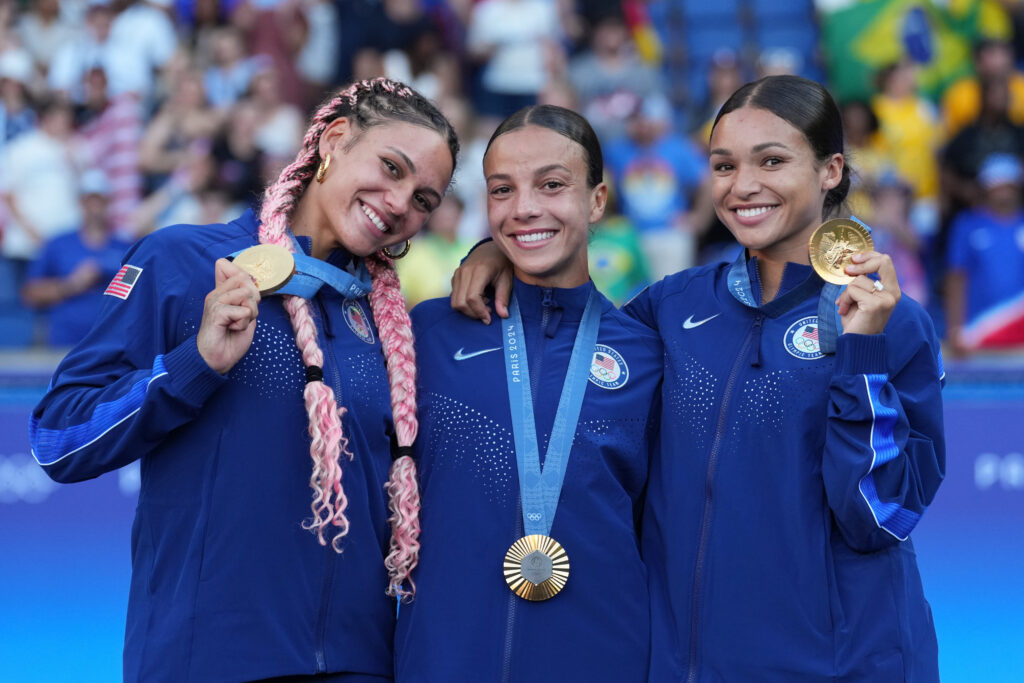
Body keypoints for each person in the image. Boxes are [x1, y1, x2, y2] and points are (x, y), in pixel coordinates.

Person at [450, 75, 946, 682]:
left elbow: (880, 516)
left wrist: (862, 351)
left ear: (830, 170)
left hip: (840, 666)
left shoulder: (890, 322)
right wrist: (499, 249)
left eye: (771, 161)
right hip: (692, 668)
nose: (744, 186)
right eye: (723, 165)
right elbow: (572, 330)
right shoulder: (673, 307)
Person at [29, 77, 458, 682]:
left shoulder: (388, 324)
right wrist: (194, 365)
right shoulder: (183, 261)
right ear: (334, 140)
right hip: (208, 659)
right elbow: (57, 439)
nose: (399, 203)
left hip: (360, 664)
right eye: (391, 167)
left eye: (424, 199)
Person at [395, 104, 663, 681]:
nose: (524, 209)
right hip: (444, 659)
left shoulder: (647, 354)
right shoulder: (429, 334)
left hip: (600, 657)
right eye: (502, 190)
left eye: (552, 185)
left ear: (596, 200)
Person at [21, 169, 133, 347]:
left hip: (112, 346)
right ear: (81, 203)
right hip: (65, 344)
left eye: (100, 201)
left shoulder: (125, 247)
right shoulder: (58, 244)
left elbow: (138, 292)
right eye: (89, 201)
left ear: (108, 203)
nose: (95, 207)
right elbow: (31, 293)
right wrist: (71, 285)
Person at [945, 152, 1024, 354]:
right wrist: (955, 329)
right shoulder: (967, 224)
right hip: (978, 334)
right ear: (985, 188)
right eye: (996, 184)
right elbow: (956, 277)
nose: (1003, 190)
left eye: (1008, 184)